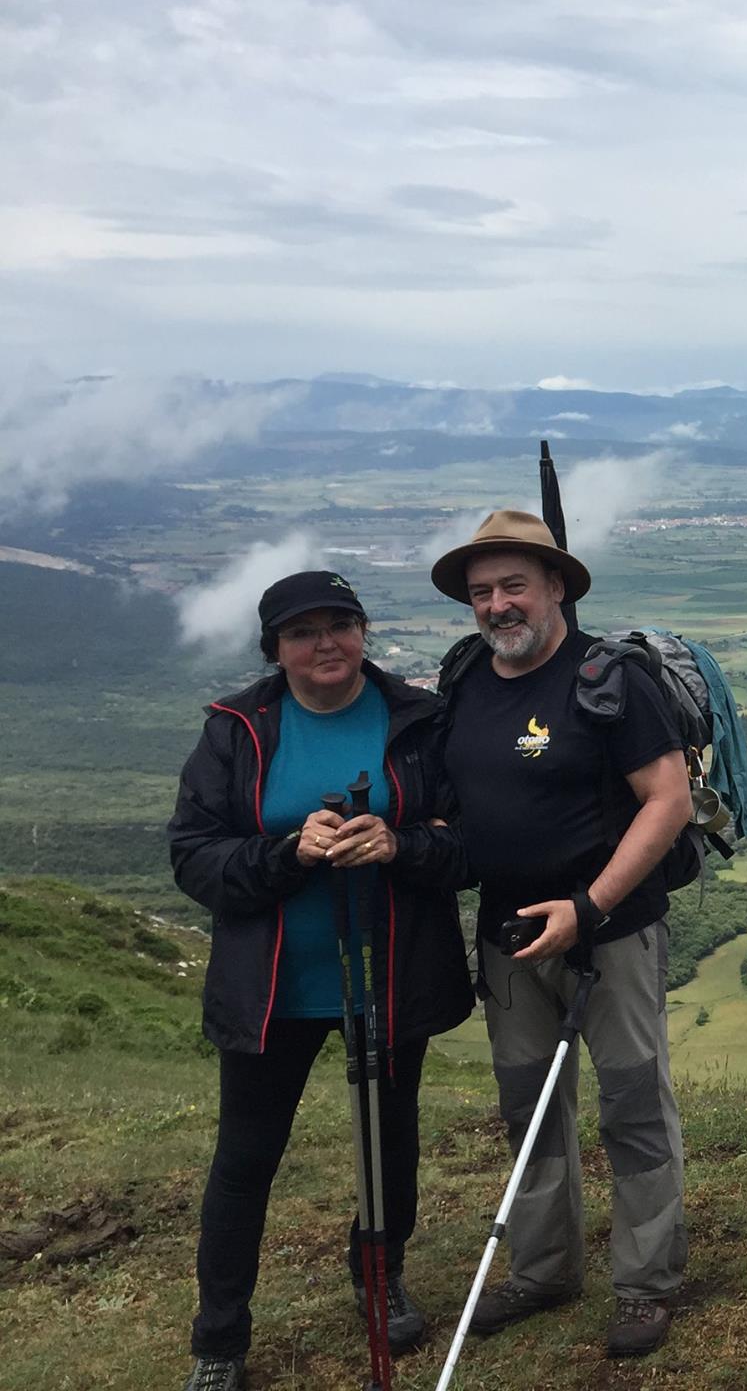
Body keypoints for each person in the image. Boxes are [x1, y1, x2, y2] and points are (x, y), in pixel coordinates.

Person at [167, 571, 470, 1391]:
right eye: (303, 632)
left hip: (388, 977)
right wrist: (285, 854)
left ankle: (380, 1275)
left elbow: (471, 841)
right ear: (276, 649)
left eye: (341, 624)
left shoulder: (420, 719)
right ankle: (219, 1341)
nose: (325, 643)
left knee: (389, 1140)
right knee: (246, 1158)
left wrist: (401, 844)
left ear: (364, 632)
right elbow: (193, 857)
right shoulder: (236, 732)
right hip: (274, 990)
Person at [430, 510, 694, 1360]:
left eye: (514, 585)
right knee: (528, 1107)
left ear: (555, 588)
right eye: (482, 592)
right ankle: (543, 1271)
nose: (497, 605)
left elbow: (668, 800)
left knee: (633, 1103)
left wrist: (590, 906)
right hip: (509, 935)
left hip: (609, 933)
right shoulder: (465, 677)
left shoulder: (610, 681)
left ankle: (647, 1284)